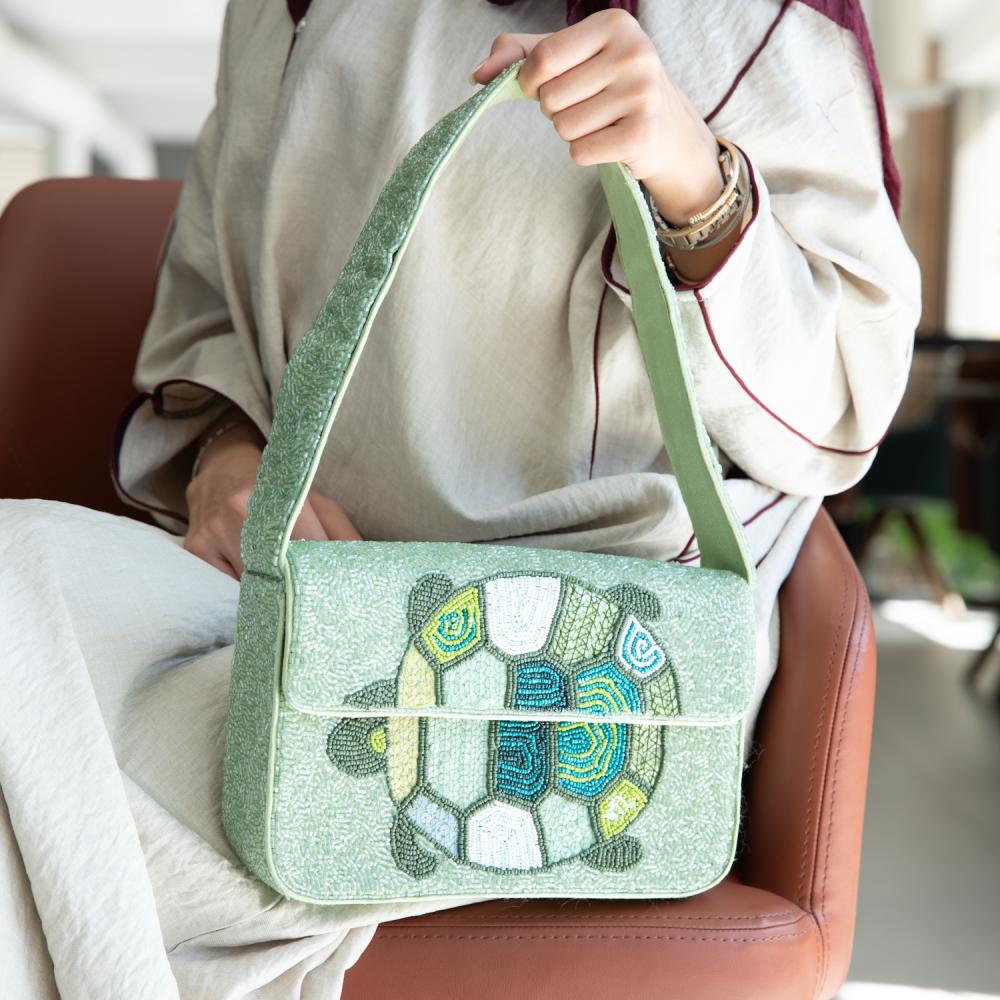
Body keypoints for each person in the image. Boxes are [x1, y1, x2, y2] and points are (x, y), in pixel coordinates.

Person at [0, 1, 919, 996]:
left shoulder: (748, 17)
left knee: (50, 783)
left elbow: (841, 405)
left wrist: (696, 181)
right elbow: (212, 290)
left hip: (564, 666)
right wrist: (225, 454)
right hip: (275, 597)